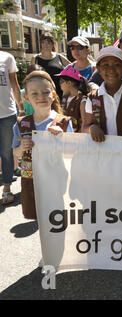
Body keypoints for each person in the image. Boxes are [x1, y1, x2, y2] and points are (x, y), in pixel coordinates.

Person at [12, 71, 73, 219]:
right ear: (26, 98)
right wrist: (21, 148)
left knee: (58, 219)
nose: (41, 97)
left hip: (57, 180)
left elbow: (72, 152)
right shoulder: (21, 124)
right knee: (39, 218)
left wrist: (62, 137)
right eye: (35, 94)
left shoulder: (63, 122)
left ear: (53, 95)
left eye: (46, 92)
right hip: (31, 182)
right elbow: (15, 153)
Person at [0, 50, 24, 205]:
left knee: (7, 152)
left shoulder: (7, 58)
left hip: (6, 114)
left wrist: (21, 108)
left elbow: (15, 86)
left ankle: (7, 188)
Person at [31, 33, 70, 99]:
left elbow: (73, 68)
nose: (45, 45)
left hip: (60, 93)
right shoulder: (35, 58)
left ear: (52, 44)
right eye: (43, 42)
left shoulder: (59, 57)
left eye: (48, 42)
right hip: (43, 94)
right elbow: (31, 77)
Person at [54, 65, 90, 132]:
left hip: (76, 138)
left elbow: (84, 124)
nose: (60, 85)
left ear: (69, 83)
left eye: (61, 82)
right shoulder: (65, 97)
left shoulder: (82, 100)